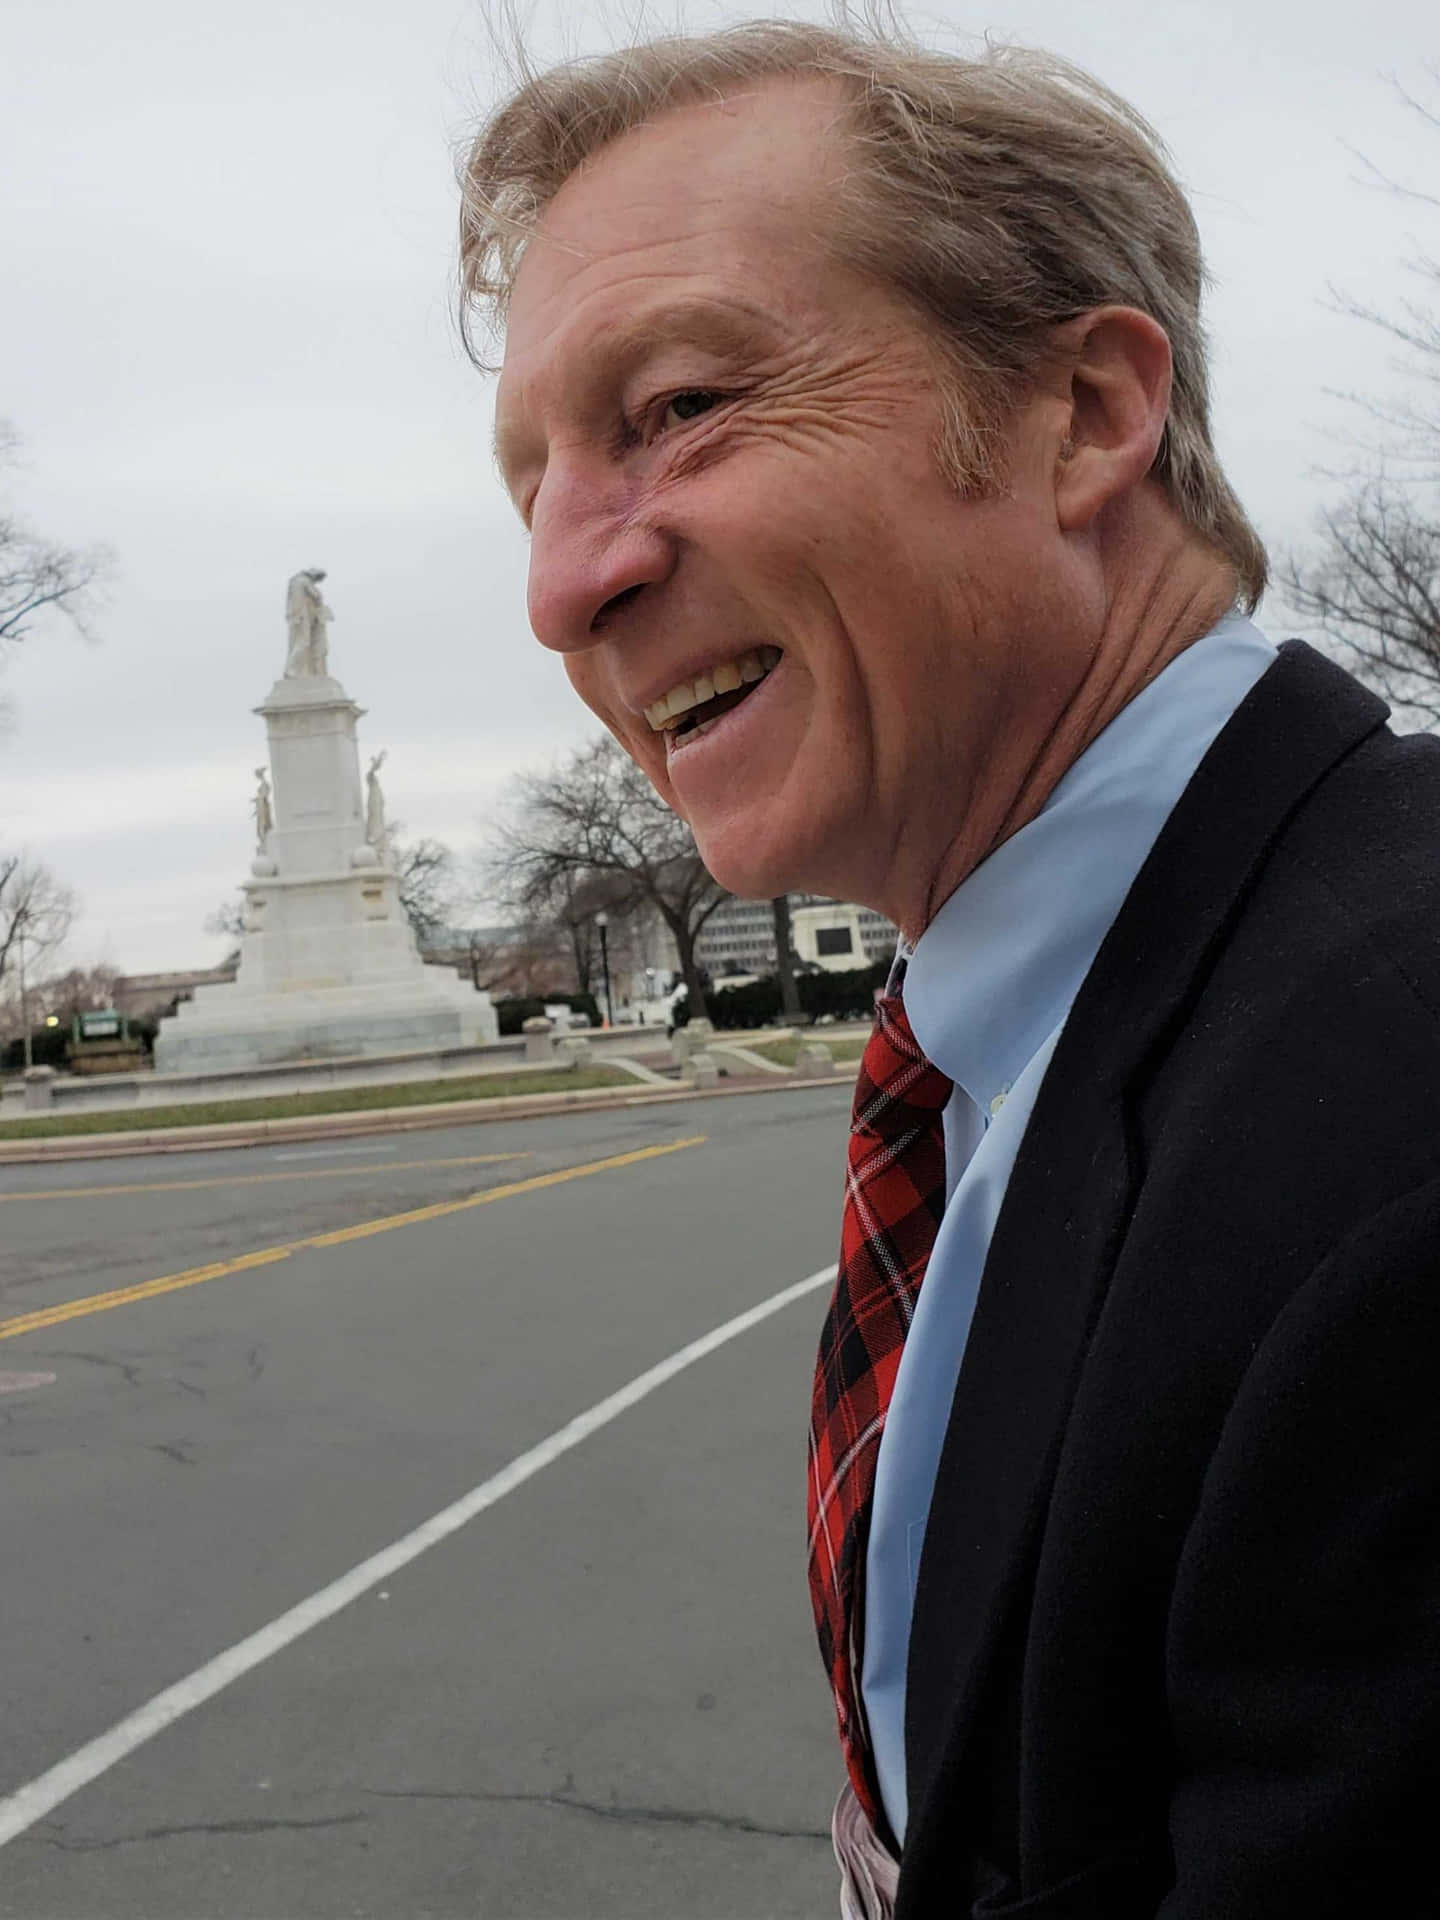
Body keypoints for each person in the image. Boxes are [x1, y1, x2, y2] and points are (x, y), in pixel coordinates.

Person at [462, 21, 1440, 1917]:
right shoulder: (1026, 1047)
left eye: (680, 405)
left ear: (1083, 413)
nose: (562, 588)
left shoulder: (1396, 1121)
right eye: (533, 490)